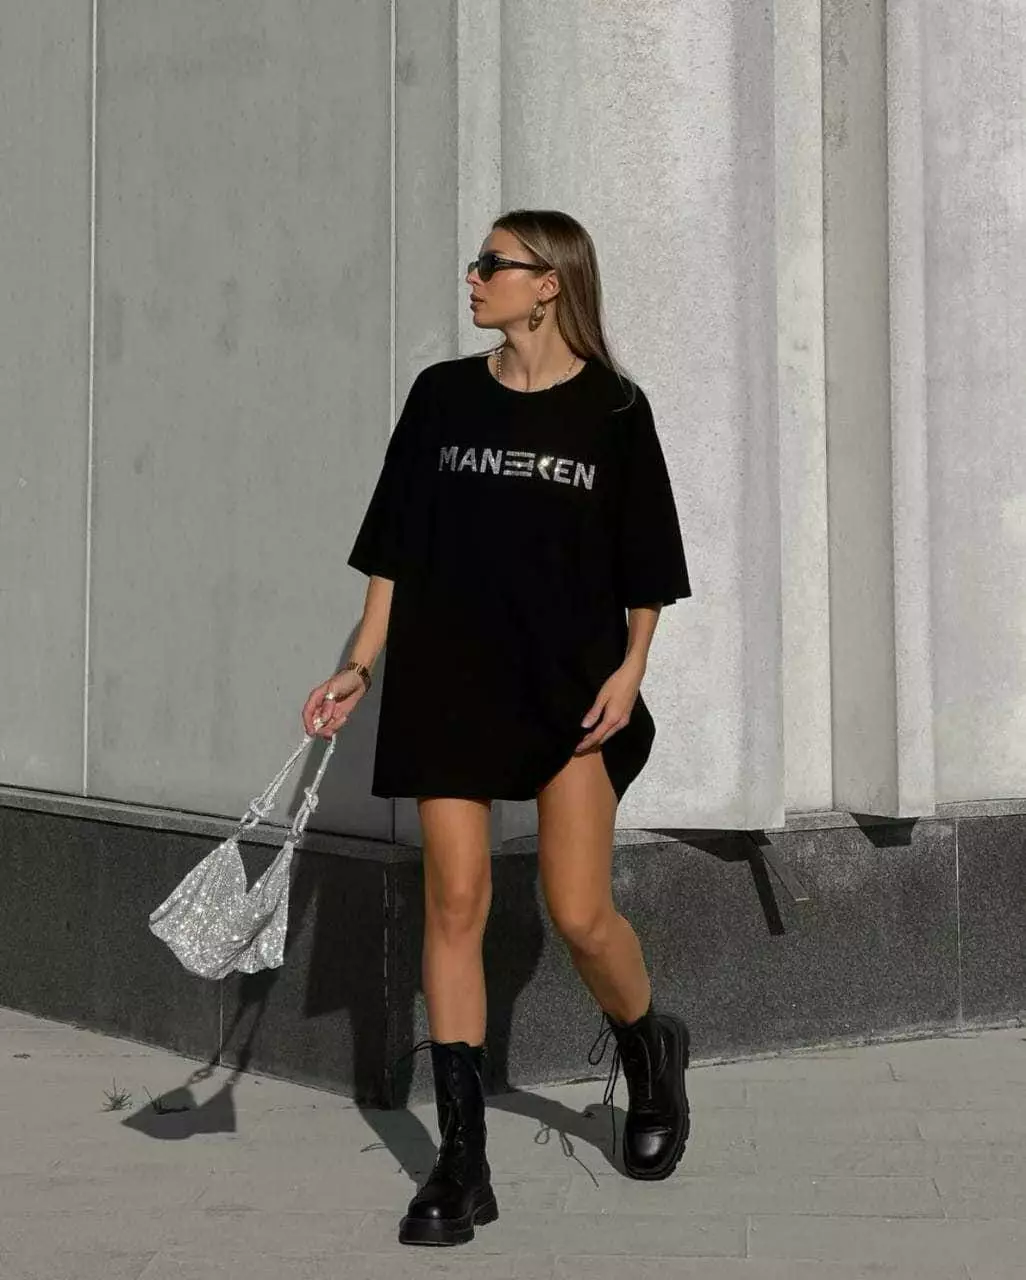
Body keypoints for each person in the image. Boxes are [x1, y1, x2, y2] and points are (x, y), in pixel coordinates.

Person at [301, 209, 694, 1248]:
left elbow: (647, 565)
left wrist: (632, 669)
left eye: (493, 264)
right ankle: (462, 1160)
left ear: (548, 283)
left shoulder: (615, 409)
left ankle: (649, 1047)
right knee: (456, 897)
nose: (473, 278)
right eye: (476, 263)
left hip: (571, 687)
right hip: (448, 677)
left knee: (580, 912)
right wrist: (359, 663)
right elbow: (394, 550)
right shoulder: (441, 395)